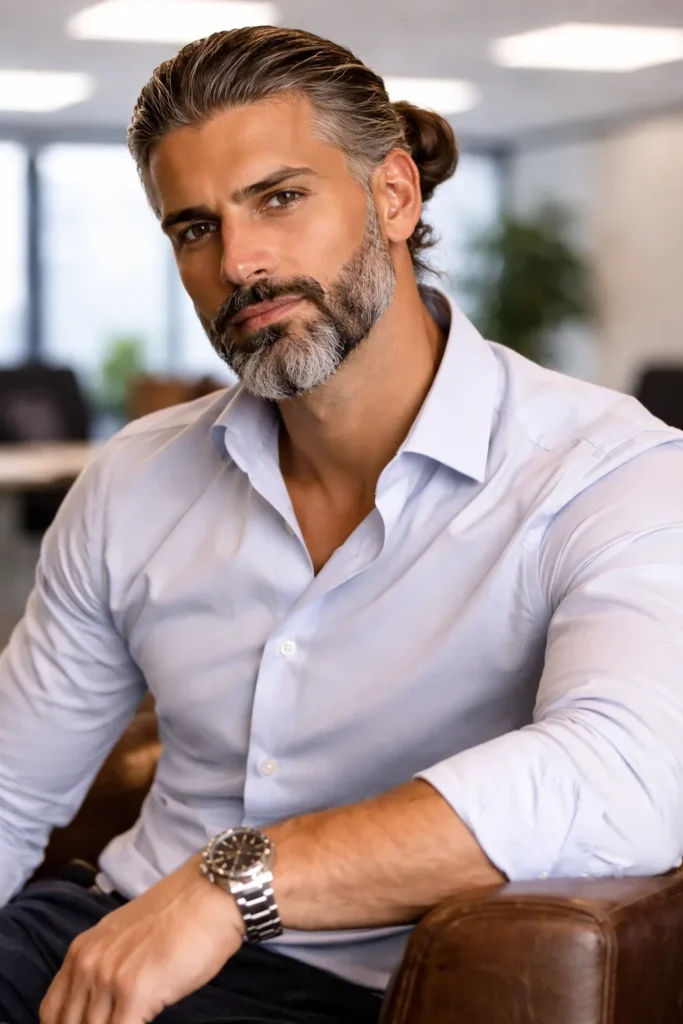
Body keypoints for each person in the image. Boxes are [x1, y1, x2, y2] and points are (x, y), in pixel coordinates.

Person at [1, 24, 682, 1024]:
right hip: (97, 933)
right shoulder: (135, 479)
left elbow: (624, 775)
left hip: (367, 990)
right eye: (194, 227)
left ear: (392, 196)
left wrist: (228, 885)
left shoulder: (606, 473)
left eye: (279, 198)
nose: (239, 261)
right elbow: (14, 788)